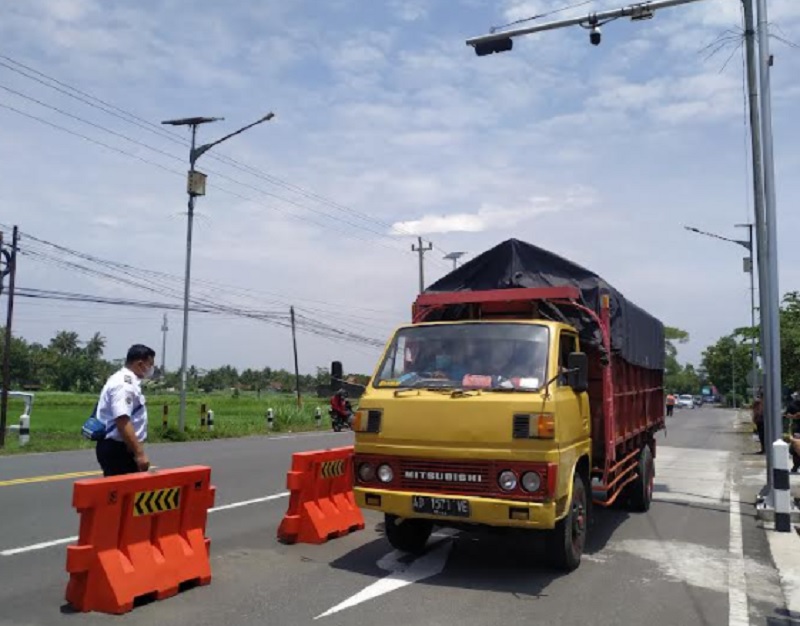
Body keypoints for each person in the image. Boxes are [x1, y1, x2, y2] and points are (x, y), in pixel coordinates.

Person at [95, 344, 155, 477]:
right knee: (122, 493)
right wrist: (140, 454)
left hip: (122, 447)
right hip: (118, 449)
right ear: (140, 364)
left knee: (124, 494)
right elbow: (122, 420)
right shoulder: (124, 385)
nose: (151, 369)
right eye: (150, 364)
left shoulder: (126, 381)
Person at [785, 391, 800, 472]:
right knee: (795, 448)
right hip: (797, 429)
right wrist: (794, 416)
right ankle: (796, 465)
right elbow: (786, 414)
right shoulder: (792, 405)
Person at [752, 389, 764, 454]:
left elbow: (756, 412)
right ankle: (763, 449)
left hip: (761, 420)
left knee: (762, 436)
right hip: (760, 421)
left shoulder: (759, 403)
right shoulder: (758, 402)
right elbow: (755, 411)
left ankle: (764, 449)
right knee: (761, 436)